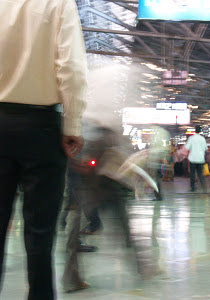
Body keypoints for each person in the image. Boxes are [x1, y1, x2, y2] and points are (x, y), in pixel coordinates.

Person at [0, 0, 87, 298]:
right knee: (40, 233)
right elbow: (71, 67)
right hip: (41, 126)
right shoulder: (59, 3)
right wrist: (72, 125)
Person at [185, 125, 207, 192]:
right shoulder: (202, 139)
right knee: (200, 173)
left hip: (193, 158)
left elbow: (187, 147)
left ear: (195, 130)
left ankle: (193, 187)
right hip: (200, 159)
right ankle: (204, 187)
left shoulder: (191, 138)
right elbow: (205, 148)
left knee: (192, 173)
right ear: (200, 131)